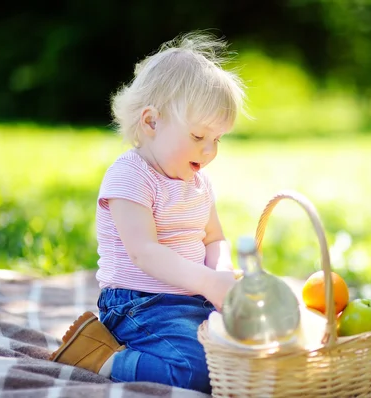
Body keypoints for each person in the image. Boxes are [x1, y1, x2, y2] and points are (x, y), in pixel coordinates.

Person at [50, 31, 246, 395]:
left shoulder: (198, 182)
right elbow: (144, 252)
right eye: (199, 136)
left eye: (217, 139)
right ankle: (102, 356)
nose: (209, 152)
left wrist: (220, 273)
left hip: (191, 298)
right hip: (139, 304)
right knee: (197, 371)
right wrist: (206, 282)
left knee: (247, 351)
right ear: (151, 123)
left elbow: (214, 237)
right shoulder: (130, 175)